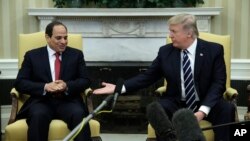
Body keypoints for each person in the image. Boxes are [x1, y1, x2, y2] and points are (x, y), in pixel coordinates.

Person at [93, 13, 235, 141]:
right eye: (170, 31)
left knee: (226, 109)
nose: (170, 35)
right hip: (177, 102)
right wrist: (120, 87)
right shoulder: (166, 52)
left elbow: (219, 83)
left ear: (189, 33)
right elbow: (148, 77)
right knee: (155, 108)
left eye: (174, 31)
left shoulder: (213, 50)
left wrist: (202, 112)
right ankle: (170, 138)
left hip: (205, 101)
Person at [14, 21, 92, 141]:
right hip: (41, 101)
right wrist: (45, 87)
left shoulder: (76, 55)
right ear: (47, 37)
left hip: (68, 101)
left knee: (79, 115)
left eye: (66, 37)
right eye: (58, 38)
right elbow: (20, 83)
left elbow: (85, 80)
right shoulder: (32, 56)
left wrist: (67, 85)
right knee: (38, 116)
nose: (63, 41)